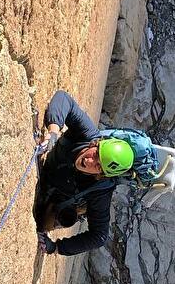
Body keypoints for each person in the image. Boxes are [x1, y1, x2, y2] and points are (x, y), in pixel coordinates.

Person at [34, 90, 149, 256]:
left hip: (55, 200)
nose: (89, 161)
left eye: (98, 166)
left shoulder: (101, 190)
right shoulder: (88, 134)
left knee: (62, 217)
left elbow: (99, 237)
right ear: (97, 144)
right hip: (51, 171)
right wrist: (53, 132)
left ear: (103, 174)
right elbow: (63, 99)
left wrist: (56, 247)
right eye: (96, 154)